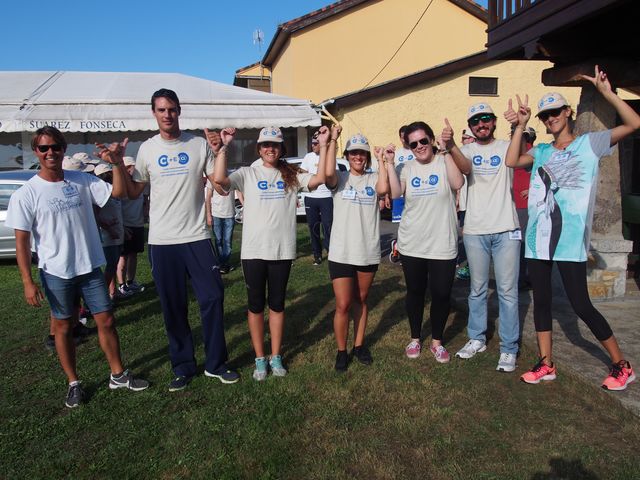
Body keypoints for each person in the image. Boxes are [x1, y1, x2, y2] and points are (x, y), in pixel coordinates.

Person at [505, 66, 640, 390]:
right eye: (545, 115)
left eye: (555, 112)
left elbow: (635, 124)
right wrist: (521, 126)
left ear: (568, 112)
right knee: (543, 301)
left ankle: (622, 365)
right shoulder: (541, 151)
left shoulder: (590, 144)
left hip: (569, 240)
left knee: (580, 304)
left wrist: (608, 94)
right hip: (539, 238)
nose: (550, 118)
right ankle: (546, 363)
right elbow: (512, 161)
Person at [6, 126, 149, 408]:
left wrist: (117, 163)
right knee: (63, 327)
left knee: (106, 320)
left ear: (63, 149)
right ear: (36, 151)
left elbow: (119, 193)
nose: (50, 153)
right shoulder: (27, 193)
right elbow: (22, 242)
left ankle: (118, 375)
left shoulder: (81, 180)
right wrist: (27, 281)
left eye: (55, 147)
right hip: (56, 272)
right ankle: (73, 382)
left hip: (89, 267)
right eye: (43, 148)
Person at [120, 88, 238, 391]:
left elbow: (221, 187)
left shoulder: (199, 145)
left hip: (196, 237)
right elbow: (133, 192)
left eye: (171, 109)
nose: (167, 115)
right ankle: (183, 366)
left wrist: (221, 150)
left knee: (212, 297)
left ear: (179, 111)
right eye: (161, 110)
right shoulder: (147, 149)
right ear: (154, 113)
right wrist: (118, 164)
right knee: (173, 306)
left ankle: (216, 364)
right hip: (162, 241)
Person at [213, 125, 328, 381]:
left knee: (276, 304)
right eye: (265, 145)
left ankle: (275, 356)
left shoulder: (292, 174)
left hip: (282, 251)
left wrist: (326, 145)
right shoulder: (248, 173)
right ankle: (259, 358)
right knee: (255, 306)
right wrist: (224, 148)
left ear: (281, 148)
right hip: (253, 252)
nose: (270, 149)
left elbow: (319, 180)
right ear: (259, 148)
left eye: (275, 145)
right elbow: (220, 180)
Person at [447, 102, 521, 372]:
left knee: (508, 292)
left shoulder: (505, 147)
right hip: (476, 230)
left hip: (506, 229)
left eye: (486, 119)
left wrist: (519, 124)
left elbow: (520, 152)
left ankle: (509, 348)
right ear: (470, 126)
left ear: (493, 121)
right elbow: (465, 168)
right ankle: (476, 338)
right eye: (476, 121)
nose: (482, 125)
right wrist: (451, 143)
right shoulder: (464, 150)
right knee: (477, 289)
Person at [388, 120, 464, 363]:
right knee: (416, 292)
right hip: (413, 243)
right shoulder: (406, 168)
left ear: (431, 140)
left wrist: (448, 149)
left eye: (423, 141)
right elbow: (395, 193)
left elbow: (458, 183)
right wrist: (389, 164)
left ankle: (437, 342)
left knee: (442, 294)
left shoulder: (444, 160)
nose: (419, 146)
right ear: (408, 147)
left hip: (443, 242)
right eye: (413, 144)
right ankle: (415, 337)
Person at [324, 128, 390, 371]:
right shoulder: (340, 179)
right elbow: (328, 173)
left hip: (367, 251)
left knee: (361, 300)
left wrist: (382, 159)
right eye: (353, 153)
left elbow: (383, 190)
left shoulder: (373, 178)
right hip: (341, 252)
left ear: (367, 156)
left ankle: (359, 345)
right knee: (342, 304)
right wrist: (331, 140)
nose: (358, 157)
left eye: (362, 153)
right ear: (347, 155)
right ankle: (342, 350)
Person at [204, 129, 242, 274]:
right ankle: (221, 263)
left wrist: (245, 205)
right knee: (218, 240)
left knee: (227, 241)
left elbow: (239, 191)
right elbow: (208, 198)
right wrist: (208, 215)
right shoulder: (212, 179)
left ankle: (222, 263)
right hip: (216, 214)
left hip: (229, 214)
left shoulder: (232, 177)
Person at [300, 131, 333, 265]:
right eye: (312, 143)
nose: (313, 146)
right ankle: (317, 255)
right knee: (313, 226)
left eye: (315, 143)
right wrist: (309, 174)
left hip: (326, 197)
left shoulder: (328, 156)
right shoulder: (308, 156)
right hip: (311, 197)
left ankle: (331, 251)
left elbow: (331, 174)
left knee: (327, 225)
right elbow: (302, 171)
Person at [116, 156, 146, 296]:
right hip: (125, 226)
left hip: (138, 224)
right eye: (130, 167)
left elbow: (145, 200)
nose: (133, 169)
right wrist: (122, 226)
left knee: (134, 255)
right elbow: (116, 209)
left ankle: (130, 281)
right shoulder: (120, 186)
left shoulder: (139, 184)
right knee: (123, 257)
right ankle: (121, 285)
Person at [94, 163, 124, 300]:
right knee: (111, 266)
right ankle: (102, 297)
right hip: (108, 236)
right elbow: (96, 216)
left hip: (118, 234)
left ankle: (113, 292)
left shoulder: (113, 191)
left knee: (114, 264)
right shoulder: (100, 194)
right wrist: (109, 229)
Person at [511, 127, 536, 289]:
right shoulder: (514, 153)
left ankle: (522, 279)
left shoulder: (533, 153)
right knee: (519, 244)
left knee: (521, 244)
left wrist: (533, 189)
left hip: (524, 207)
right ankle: (520, 278)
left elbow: (545, 176)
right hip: (515, 205)